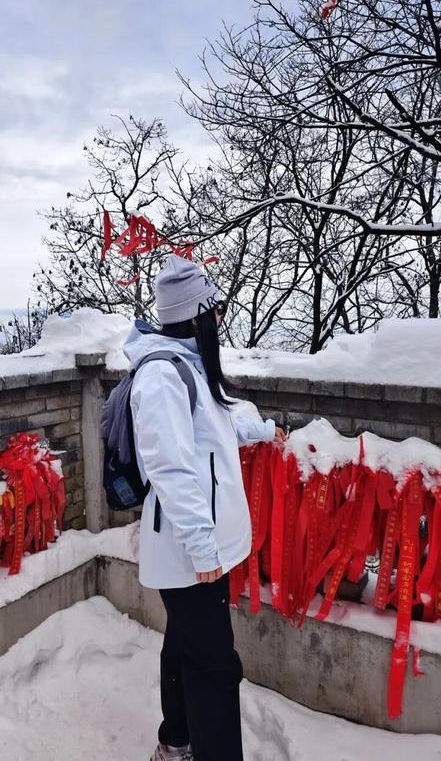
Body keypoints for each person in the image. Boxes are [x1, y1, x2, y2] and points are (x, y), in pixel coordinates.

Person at [122, 255, 285, 761]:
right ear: (195, 318)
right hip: (191, 552)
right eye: (215, 310)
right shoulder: (162, 376)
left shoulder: (187, 366)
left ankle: (175, 742)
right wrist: (202, 547)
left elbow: (216, 428)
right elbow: (170, 468)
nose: (219, 318)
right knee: (215, 667)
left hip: (199, 550)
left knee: (185, 644)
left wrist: (263, 431)